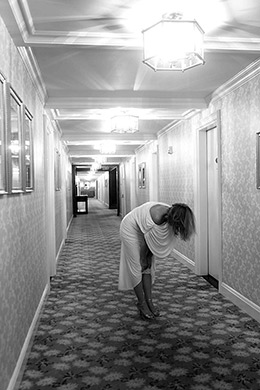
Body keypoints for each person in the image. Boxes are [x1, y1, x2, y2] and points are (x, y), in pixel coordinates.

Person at [118, 201, 195, 320]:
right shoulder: (157, 217)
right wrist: (143, 258)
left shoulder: (170, 215)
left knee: (148, 266)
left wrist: (147, 258)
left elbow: (150, 242)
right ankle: (141, 303)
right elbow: (145, 241)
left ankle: (149, 302)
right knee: (137, 266)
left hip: (144, 232)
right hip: (131, 228)